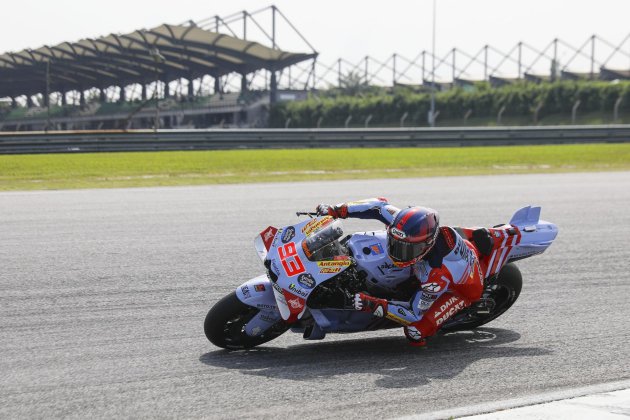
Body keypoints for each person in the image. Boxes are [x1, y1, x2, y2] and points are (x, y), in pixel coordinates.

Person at [316, 198, 484, 346]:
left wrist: (373, 304)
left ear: (426, 245)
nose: (398, 252)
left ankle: (429, 333)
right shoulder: (404, 225)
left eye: (406, 249)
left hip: (463, 289)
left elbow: (413, 313)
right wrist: (336, 210)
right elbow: (377, 206)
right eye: (396, 244)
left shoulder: (436, 275)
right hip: (450, 251)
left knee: (415, 332)